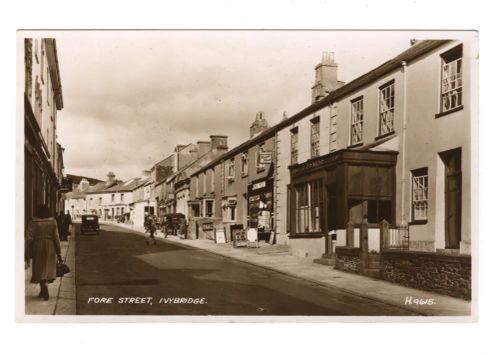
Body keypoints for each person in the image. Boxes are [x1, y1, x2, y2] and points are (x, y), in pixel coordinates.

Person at [25, 204, 63, 301]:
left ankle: (43, 288)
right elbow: (56, 238)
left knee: (40, 268)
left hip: (37, 246)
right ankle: (44, 287)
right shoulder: (52, 222)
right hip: (50, 246)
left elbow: (29, 238)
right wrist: (58, 252)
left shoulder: (33, 222)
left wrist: (27, 252)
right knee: (47, 268)